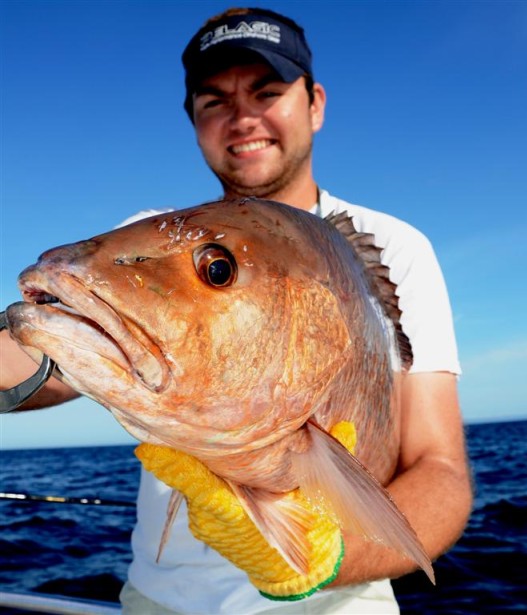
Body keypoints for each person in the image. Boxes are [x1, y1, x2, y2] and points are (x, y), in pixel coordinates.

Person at [0, 7, 473, 614]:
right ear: (194, 121)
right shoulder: (140, 242)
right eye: (214, 101)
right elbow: (42, 352)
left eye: (267, 91)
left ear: (316, 102)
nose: (243, 117)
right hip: (160, 601)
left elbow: (439, 470)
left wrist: (321, 559)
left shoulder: (397, 249)